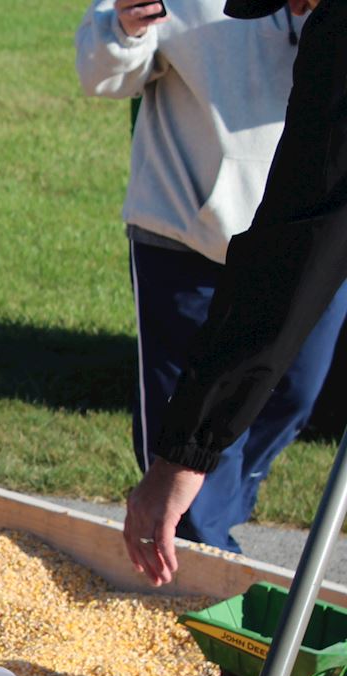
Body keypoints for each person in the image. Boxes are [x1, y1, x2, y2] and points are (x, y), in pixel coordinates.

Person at [77, 0, 347, 556]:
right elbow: (101, 74)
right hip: (189, 234)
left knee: (294, 393)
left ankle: (219, 506)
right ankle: (203, 545)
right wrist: (124, 29)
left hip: (308, 241)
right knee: (192, 422)